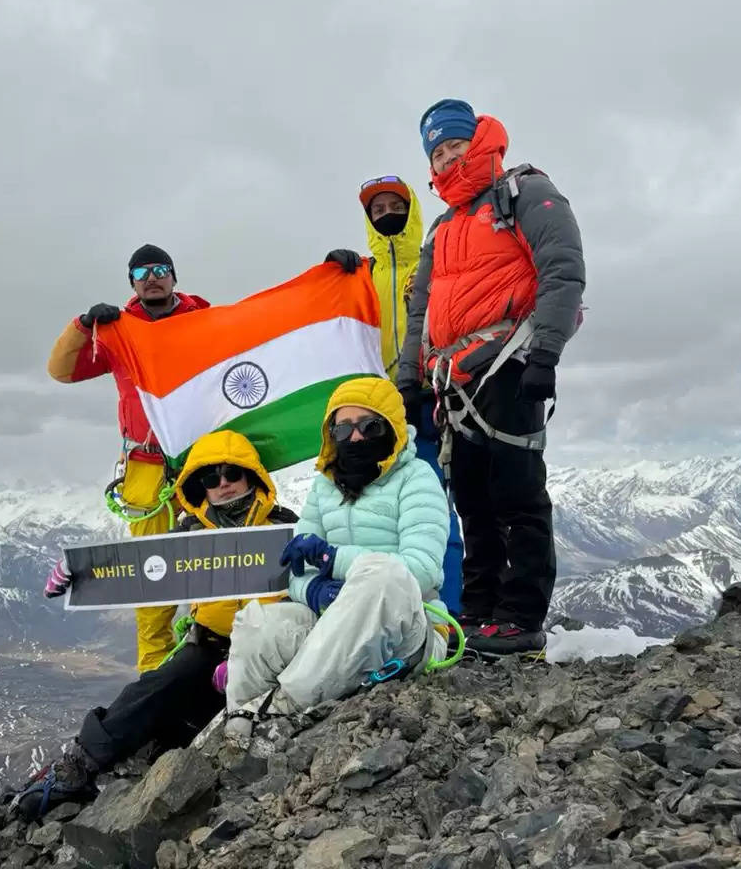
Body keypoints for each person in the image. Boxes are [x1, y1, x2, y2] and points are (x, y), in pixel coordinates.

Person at [15, 430, 297, 819]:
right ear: (199, 488)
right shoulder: (187, 535)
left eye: (233, 472)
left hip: (269, 657)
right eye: (210, 478)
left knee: (180, 725)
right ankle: (79, 764)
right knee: (155, 688)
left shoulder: (286, 529)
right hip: (210, 652)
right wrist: (81, 571)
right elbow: (138, 569)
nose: (223, 484)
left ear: (253, 476)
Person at [397, 99, 586, 656]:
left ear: (480, 140)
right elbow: (422, 310)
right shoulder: (442, 228)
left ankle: (521, 618)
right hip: (453, 377)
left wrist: (546, 354)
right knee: (473, 499)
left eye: (455, 145)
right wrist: (411, 378)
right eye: (438, 152)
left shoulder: (524, 192)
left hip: (511, 361)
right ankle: (478, 610)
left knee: (518, 494)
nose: (448, 157)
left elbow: (563, 267)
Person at [222, 377, 448, 732]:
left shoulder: (417, 478)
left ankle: (281, 710)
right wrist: (312, 590)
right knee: (261, 624)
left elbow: (421, 571)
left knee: (382, 574)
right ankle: (238, 727)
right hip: (335, 624)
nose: (355, 437)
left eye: (369, 426)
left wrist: (332, 559)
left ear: (391, 428)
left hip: (409, 628)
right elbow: (295, 568)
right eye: (343, 430)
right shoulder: (324, 487)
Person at [47, 244, 211, 674]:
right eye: (142, 271)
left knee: (214, 569)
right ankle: (154, 683)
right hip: (145, 465)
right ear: (133, 282)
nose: (152, 276)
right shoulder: (118, 332)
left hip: (204, 460)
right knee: (153, 578)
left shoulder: (205, 322)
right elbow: (62, 370)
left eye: (160, 269)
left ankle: (208, 668)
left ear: (174, 276)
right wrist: (83, 327)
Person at [327, 176, 464, 614]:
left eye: (394, 205)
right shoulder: (361, 276)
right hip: (375, 413)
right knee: (380, 513)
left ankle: (449, 610)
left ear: (412, 210)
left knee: (432, 506)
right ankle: (389, 609)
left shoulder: (435, 263)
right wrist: (333, 277)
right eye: (377, 209)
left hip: (431, 400)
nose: (386, 214)